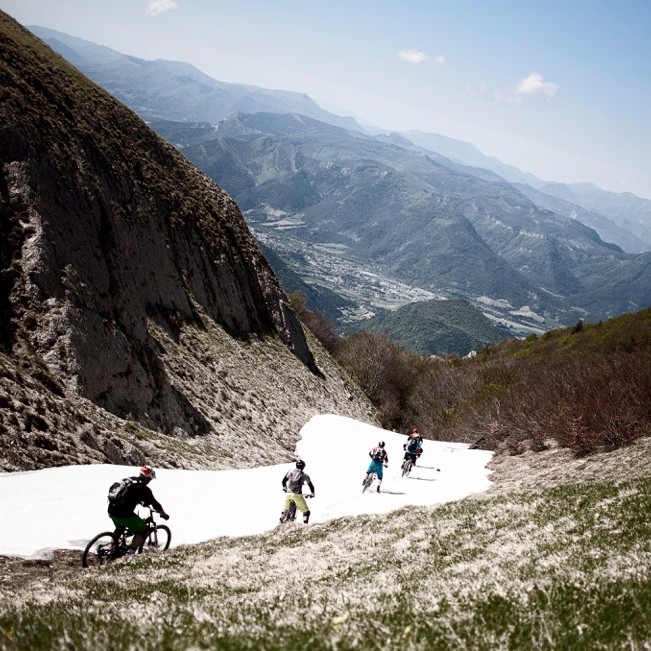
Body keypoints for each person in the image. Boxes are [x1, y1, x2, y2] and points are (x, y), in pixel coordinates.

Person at [107, 464, 170, 555]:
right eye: (150, 479)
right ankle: (131, 553)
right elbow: (155, 504)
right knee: (143, 531)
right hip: (124, 515)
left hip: (111, 510)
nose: (150, 481)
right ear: (148, 478)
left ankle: (112, 548)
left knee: (119, 528)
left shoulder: (129, 480)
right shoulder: (144, 489)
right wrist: (163, 514)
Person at [281, 459, 315, 524]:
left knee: (286, 508)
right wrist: (312, 493)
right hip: (297, 495)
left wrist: (284, 488)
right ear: (303, 467)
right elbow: (311, 485)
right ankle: (305, 525)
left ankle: (282, 518)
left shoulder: (290, 471)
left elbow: (283, 481)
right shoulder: (304, 475)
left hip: (288, 494)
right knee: (306, 511)